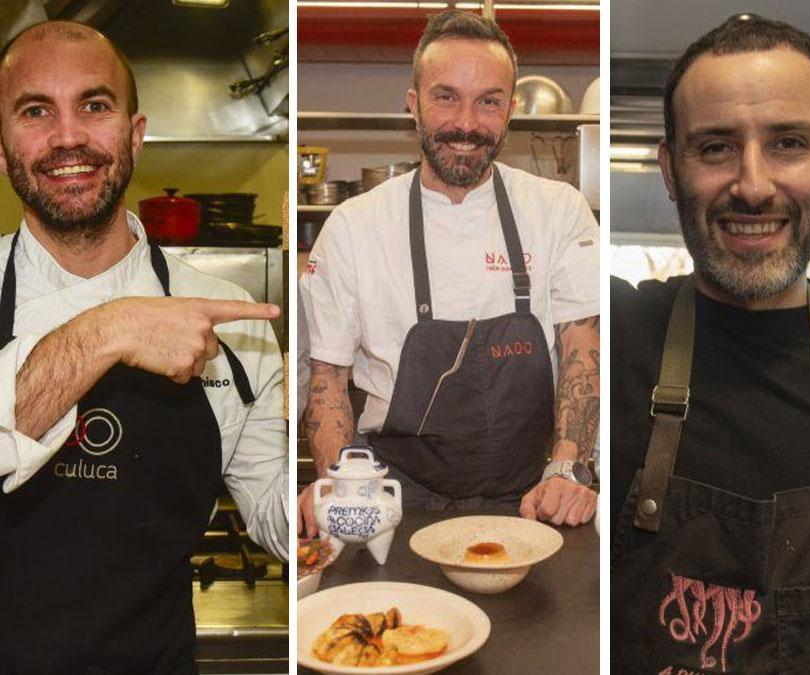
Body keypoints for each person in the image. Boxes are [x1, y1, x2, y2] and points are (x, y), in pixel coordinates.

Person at [609, 14, 810, 673]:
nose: (753, 186)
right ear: (670, 170)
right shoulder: (614, 333)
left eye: (787, 143)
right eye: (716, 147)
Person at [0, 21, 287, 674]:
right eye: (36, 110)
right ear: (1, 145)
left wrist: (321, 510)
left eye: (94, 105)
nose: (68, 136)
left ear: (134, 133)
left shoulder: (233, 328)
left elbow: (274, 509)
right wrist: (109, 328)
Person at [299, 10, 600, 534]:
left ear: (510, 109)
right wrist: (340, 485)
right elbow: (328, 380)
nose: (466, 123)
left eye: (488, 101)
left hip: (534, 496)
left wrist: (567, 466)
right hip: (394, 497)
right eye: (446, 97)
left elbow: (582, 348)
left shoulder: (558, 210)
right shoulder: (354, 226)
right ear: (413, 103)